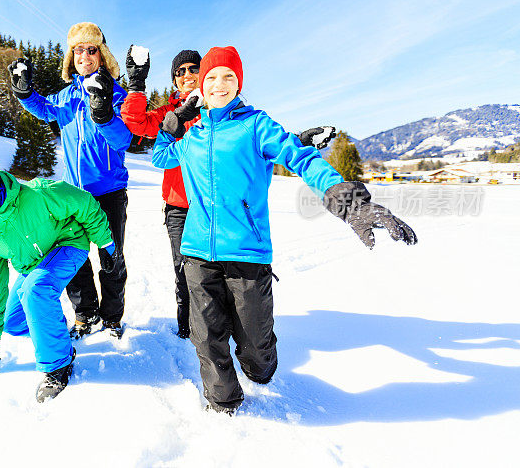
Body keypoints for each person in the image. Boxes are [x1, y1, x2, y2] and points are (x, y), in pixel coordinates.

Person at [152, 46, 418, 415]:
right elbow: (160, 157)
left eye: (228, 76)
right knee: (206, 336)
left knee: (256, 355)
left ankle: (259, 366)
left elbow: (301, 156)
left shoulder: (257, 125)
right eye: (211, 77)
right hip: (197, 250)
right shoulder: (192, 137)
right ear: (201, 84)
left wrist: (347, 200)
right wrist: (173, 125)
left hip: (246, 250)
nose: (219, 84)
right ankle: (222, 402)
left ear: (238, 82)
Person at [121, 47, 338, 339]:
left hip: (223, 208)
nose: (187, 75)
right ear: (174, 80)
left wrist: (298, 142)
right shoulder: (167, 113)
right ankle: (190, 329)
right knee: (185, 272)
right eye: (180, 72)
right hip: (180, 205)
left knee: (223, 275)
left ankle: (229, 328)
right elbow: (135, 123)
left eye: (193, 69)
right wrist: (136, 86)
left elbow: (247, 143)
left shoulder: (219, 107)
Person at [0, 144, 116, 402]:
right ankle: (58, 338)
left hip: (67, 244)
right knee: (14, 321)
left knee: (35, 291)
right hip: (35, 265)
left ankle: (57, 366)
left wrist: (105, 242)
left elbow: (84, 203)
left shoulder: (37, 194)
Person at [7, 22, 132, 339]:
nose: (85, 55)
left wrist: (103, 111)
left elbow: (123, 139)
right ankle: (86, 314)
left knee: (111, 258)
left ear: (101, 55)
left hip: (109, 192)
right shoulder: (67, 96)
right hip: (73, 195)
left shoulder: (117, 94)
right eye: (79, 50)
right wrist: (23, 90)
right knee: (73, 256)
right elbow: (43, 108)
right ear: (72, 56)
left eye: (92, 49)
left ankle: (113, 316)